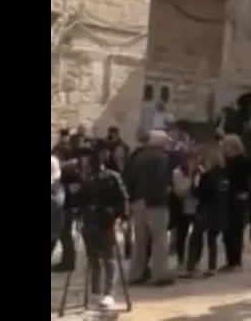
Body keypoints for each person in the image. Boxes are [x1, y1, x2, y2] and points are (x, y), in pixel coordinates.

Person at [72, 142, 129, 309]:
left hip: (106, 222)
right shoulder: (83, 178)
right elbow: (78, 200)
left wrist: (120, 216)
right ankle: (95, 291)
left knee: (109, 258)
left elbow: (123, 198)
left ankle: (109, 293)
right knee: (93, 259)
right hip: (89, 223)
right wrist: (77, 206)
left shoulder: (112, 176)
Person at [125, 130, 174, 286]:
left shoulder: (135, 156)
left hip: (137, 203)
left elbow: (127, 178)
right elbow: (160, 180)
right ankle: (160, 274)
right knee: (159, 239)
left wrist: (134, 199)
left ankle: (136, 273)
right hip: (156, 203)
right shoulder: (161, 157)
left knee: (139, 240)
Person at [184, 147, 228, 277]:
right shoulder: (225, 175)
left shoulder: (206, 176)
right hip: (220, 210)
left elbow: (198, 193)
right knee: (212, 239)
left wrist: (193, 184)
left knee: (195, 238)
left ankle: (190, 267)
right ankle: (212, 267)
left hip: (205, 211)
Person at [221, 134, 251, 272]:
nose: (223, 148)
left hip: (239, 197)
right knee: (227, 232)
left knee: (236, 231)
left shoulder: (244, 161)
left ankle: (237, 262)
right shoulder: (224, 161)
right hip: (226, 197)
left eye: (226, 145)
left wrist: (247, 192)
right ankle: (229, 261)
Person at [172, 150, 199, 273]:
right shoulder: (178, 172)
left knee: (197, 235)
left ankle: (194, 262)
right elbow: (179, 192)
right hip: (182, 207)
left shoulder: (200, 172)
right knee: (181, 235)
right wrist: (191, 187)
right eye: (190, 160)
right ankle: (181, 261)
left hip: (196, 206)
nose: (193, 163)